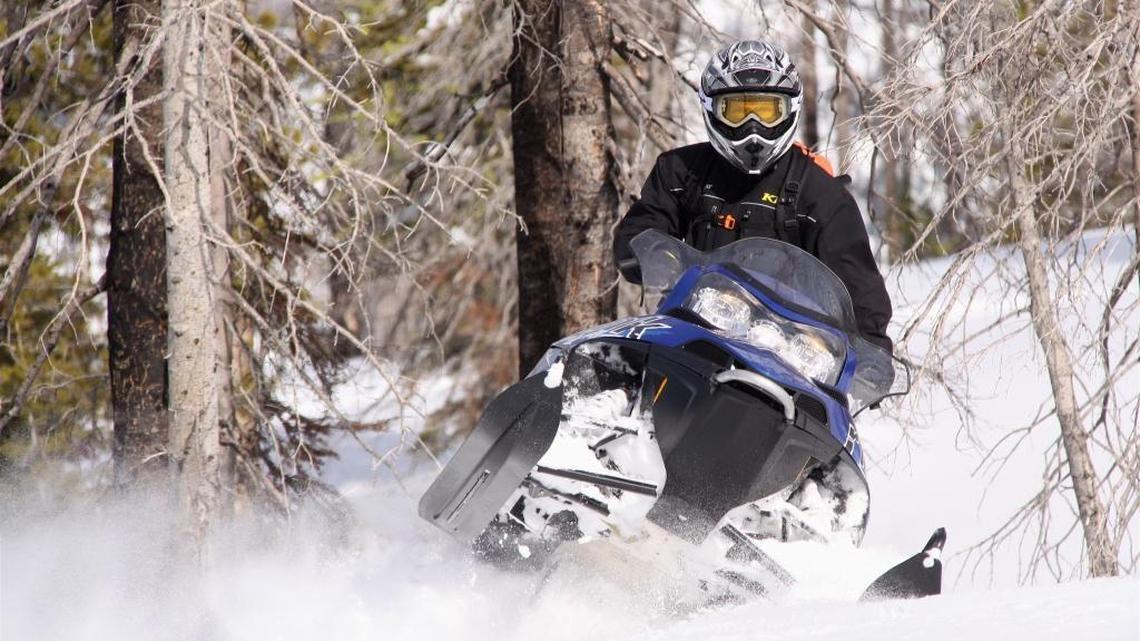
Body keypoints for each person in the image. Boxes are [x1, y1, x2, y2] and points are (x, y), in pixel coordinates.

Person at [613, 40, 893, 353]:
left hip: (788, 351)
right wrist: (659, 258)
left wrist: (869, 358)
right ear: (712, 109)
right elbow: (638, 234)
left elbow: (860, 289)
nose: (753, 126)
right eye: (737, 111)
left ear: (789, 109)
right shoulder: (681, 171)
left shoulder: (820, 193)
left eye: (765, 110)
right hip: (693, 332)